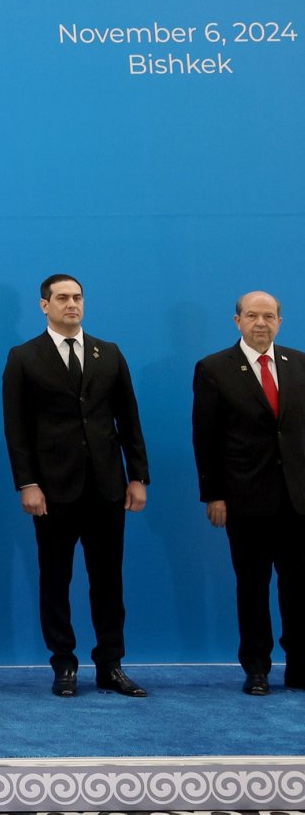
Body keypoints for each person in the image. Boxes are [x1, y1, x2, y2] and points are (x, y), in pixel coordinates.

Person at [2, 273, 149, 698]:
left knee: (108, 580)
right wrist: (27, 483)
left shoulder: (109, 353)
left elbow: (129, 419)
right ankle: (64, 664)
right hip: (52, 489)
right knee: (56, 579)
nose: (72, 304)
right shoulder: (24, 356)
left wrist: (137, 475)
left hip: (107, 485)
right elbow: (17, 428)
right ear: (44, 305)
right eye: (62, 298)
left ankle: (111, 664)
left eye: (78, 297)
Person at [192, 291, 305, 695]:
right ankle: (257, 667)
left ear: (280, 321)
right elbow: (205, 438)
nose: (262, 323)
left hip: (298, 499)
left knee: (298, 586)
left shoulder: (299, 364)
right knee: (253, 586)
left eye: (269, 316)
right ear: (236, 320)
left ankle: (299, 666)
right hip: (244, 499)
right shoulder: (214, 369)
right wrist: (214, 494)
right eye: (253, 316)